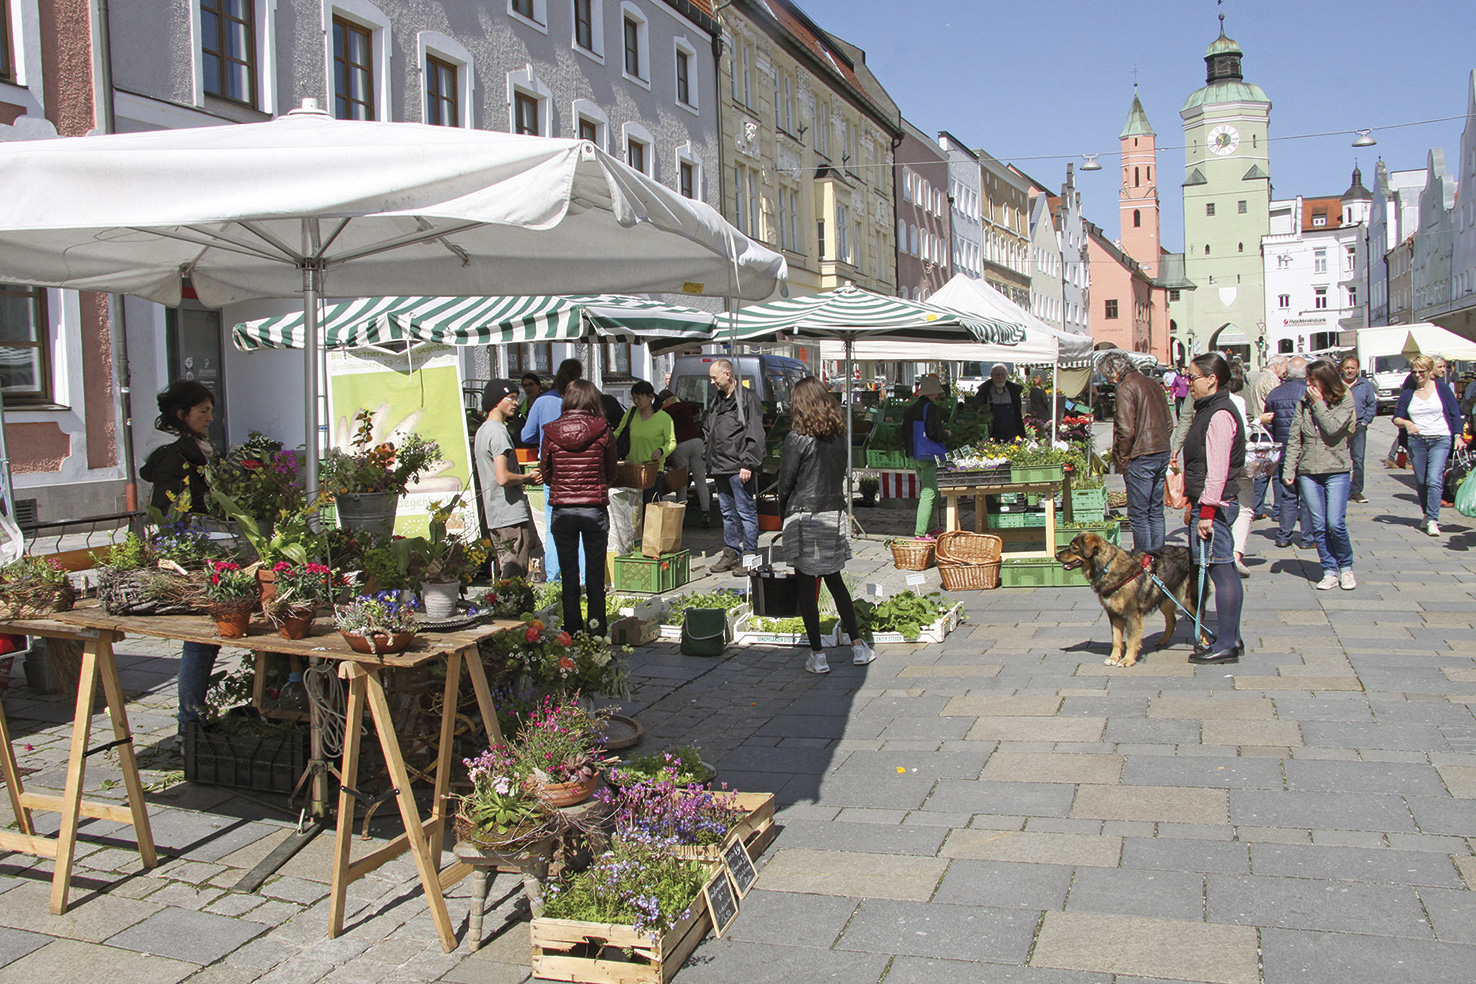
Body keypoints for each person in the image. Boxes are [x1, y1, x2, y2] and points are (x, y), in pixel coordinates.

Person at [138, 380, 219, 734]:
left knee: (208, 638)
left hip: (205, 549)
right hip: (190, 557)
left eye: (210, 411)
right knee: (201, 638)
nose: (210, 418)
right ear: (182, 414)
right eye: (203, 411)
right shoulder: (174, 457)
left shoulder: (194, 449)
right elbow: (167, 513)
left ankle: (193, 718)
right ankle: (189, 721)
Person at [774, 377, 870, 674]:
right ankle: (858, 646)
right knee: (835, 580)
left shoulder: (796, 437)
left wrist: (782, 515)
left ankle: (818, 654)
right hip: (833, 513)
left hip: (804, 514)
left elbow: (786, 482)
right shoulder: (839, 435)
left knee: (806, 585)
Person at [1181, 353, 1246, 665]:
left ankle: (1227, 643)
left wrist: (1206, 511)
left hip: (1215, 506)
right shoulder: (1210, 409)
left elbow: (1216, 469)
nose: (1188, 383)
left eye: (1192, 377)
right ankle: (1230, 636)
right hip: (1212, 502)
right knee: (1226, 569)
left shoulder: (1219, 414)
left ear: (1212, 379)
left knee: (1222, 570)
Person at [540, 379, 617, 634]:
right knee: (595, 577)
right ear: (592, 400)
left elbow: (546, 473)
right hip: (593, 508)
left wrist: (564, 486)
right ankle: (597, 632)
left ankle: (571, 631)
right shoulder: (603, 429)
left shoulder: (550, 430)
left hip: (563, 509)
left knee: (569, 576)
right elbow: (611, 470)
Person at [1282, 360, 1356, 590]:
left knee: (1335, 523)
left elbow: (1333, 428)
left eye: (1312, 380)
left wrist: (1319, 404)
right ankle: (1329, 569)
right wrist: (1289, 468)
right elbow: (1295, 437)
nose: (1308, 384)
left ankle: (1346, 567)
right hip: (1309, 470)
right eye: (1308, 380)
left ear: (1325, 379)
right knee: (1318, 524)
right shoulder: (1303, 402)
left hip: (1336, 468)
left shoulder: (1344, 398)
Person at [522, 358, 584, 581]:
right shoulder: (581, 400)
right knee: (583, 524)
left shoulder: (543, 401)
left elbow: (525, 435)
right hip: (580, 469)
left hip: (552, 470)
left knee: (553, 524)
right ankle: (585, 578)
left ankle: (555, 577)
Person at [1104, 350, 1172, 553]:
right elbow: (1168, 423)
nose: (1109, 380)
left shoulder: (1126, 387)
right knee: (1155, 510)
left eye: (1108, 376)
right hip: (1160, 450)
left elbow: (1126, 429)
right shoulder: (1151, 383)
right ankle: (1158, 556)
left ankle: (1145, 558)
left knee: (1139, 513)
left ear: (1115, 370)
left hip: (1141, 454)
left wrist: (1123, 461)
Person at [474, 381, 543, 579]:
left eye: (516, 398)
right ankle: (511, 607)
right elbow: (502, 477)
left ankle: (503, 605)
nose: (515, 403)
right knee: (514, 572)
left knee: (504, 568)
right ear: (496, 401)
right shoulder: (498, 432)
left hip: (494, 512)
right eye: (510, 398)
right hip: (509, 512)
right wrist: (527, 477)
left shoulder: (483, 430)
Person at [1392, 354, 1467, 536]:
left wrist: (1458, 435)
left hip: (1440, 438)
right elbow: (1397, 417)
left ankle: (1433, 519)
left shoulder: (1441, 389)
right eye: (1415, 371)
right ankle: (1426, 513)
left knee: (1434, 479)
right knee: (1421, 481)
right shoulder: (1409, 392)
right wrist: (1407, 423)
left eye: (1421, 372)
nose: (1418, 375)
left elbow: (1454, 412)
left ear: (1429, 371)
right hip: (1417, 441)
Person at [704, 358, 765, 574]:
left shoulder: (748, 399)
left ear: (728, 374)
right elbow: (708, 428)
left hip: (739, 466)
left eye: (714, 377)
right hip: (719, 465)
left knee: (745, 511)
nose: (712, 382)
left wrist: (748, 463)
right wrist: (707, 455)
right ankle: (731, 552)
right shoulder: (717, 400)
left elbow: (755, 432)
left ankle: (749, 554)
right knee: (727, 512)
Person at [1265, 357, 1313, 549]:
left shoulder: (1275, 394)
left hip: (1284, 450)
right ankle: (1308, 537)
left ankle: (1284, 535)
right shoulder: (1310, 393)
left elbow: (1270, 423)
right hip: (1306, 451)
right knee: (1308, 497)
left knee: (1288, 495)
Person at [901, 375, 950, 539]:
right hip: (929, 455)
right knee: (929, 493)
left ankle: (930, 527)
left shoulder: (912, 407)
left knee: (931, 490)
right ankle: (921, 532)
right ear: (935, 392)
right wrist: (945, 434)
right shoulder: (931, 407)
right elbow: (932, 432)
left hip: (914, 454)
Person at [614, 380, 676, 504]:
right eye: (634, 398)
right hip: (632, 471)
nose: (636, 401)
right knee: (633, 513)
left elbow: (672, 442)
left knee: (652, 512)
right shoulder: (630, 414)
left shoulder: (664, 418)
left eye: (639, 397)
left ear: (650, 397)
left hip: (653, 472)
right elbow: (618, 433)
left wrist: (661, 451)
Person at [660, 389, 711, 527]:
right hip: (696, 442)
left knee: (681, 482)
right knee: (700, 479)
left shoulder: (664, 412)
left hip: (680, 445)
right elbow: (697, 410)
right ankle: (706, 511)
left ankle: (680, 515)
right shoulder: (685, 405)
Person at [1248, 356, 1287, 517]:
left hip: (1258, 429)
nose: (1286, 370)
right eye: (1284, 366)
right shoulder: (1271, 381)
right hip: (1268, 429)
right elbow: (1276, 403)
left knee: (1261, 472)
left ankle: (1256, 507)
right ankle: (1278, 509)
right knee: (1274, 472)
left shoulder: (1258, 378)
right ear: (1276, 365)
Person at [1342, 356, 1377, 504]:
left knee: (1358, 459)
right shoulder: (1336, 383)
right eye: (1347, 368)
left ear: (1357, 369)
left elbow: (1372, 404)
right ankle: (1341, 489)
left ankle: (1356, 491)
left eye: (1352, 368)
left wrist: (1365, 422)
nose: (1350, 371)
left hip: (1358, 427)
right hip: (1339, 428)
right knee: (1339, 460)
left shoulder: (1365, 384)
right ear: (1342, 369)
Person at [981, 364, 1026, 442]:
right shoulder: (984, 392)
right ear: (991, 376)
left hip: (1012, 434)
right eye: (997, 375)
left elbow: (1018, 414)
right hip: (992, 434)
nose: (1000, 378)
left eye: (1002, 375)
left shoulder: (1013, 391)